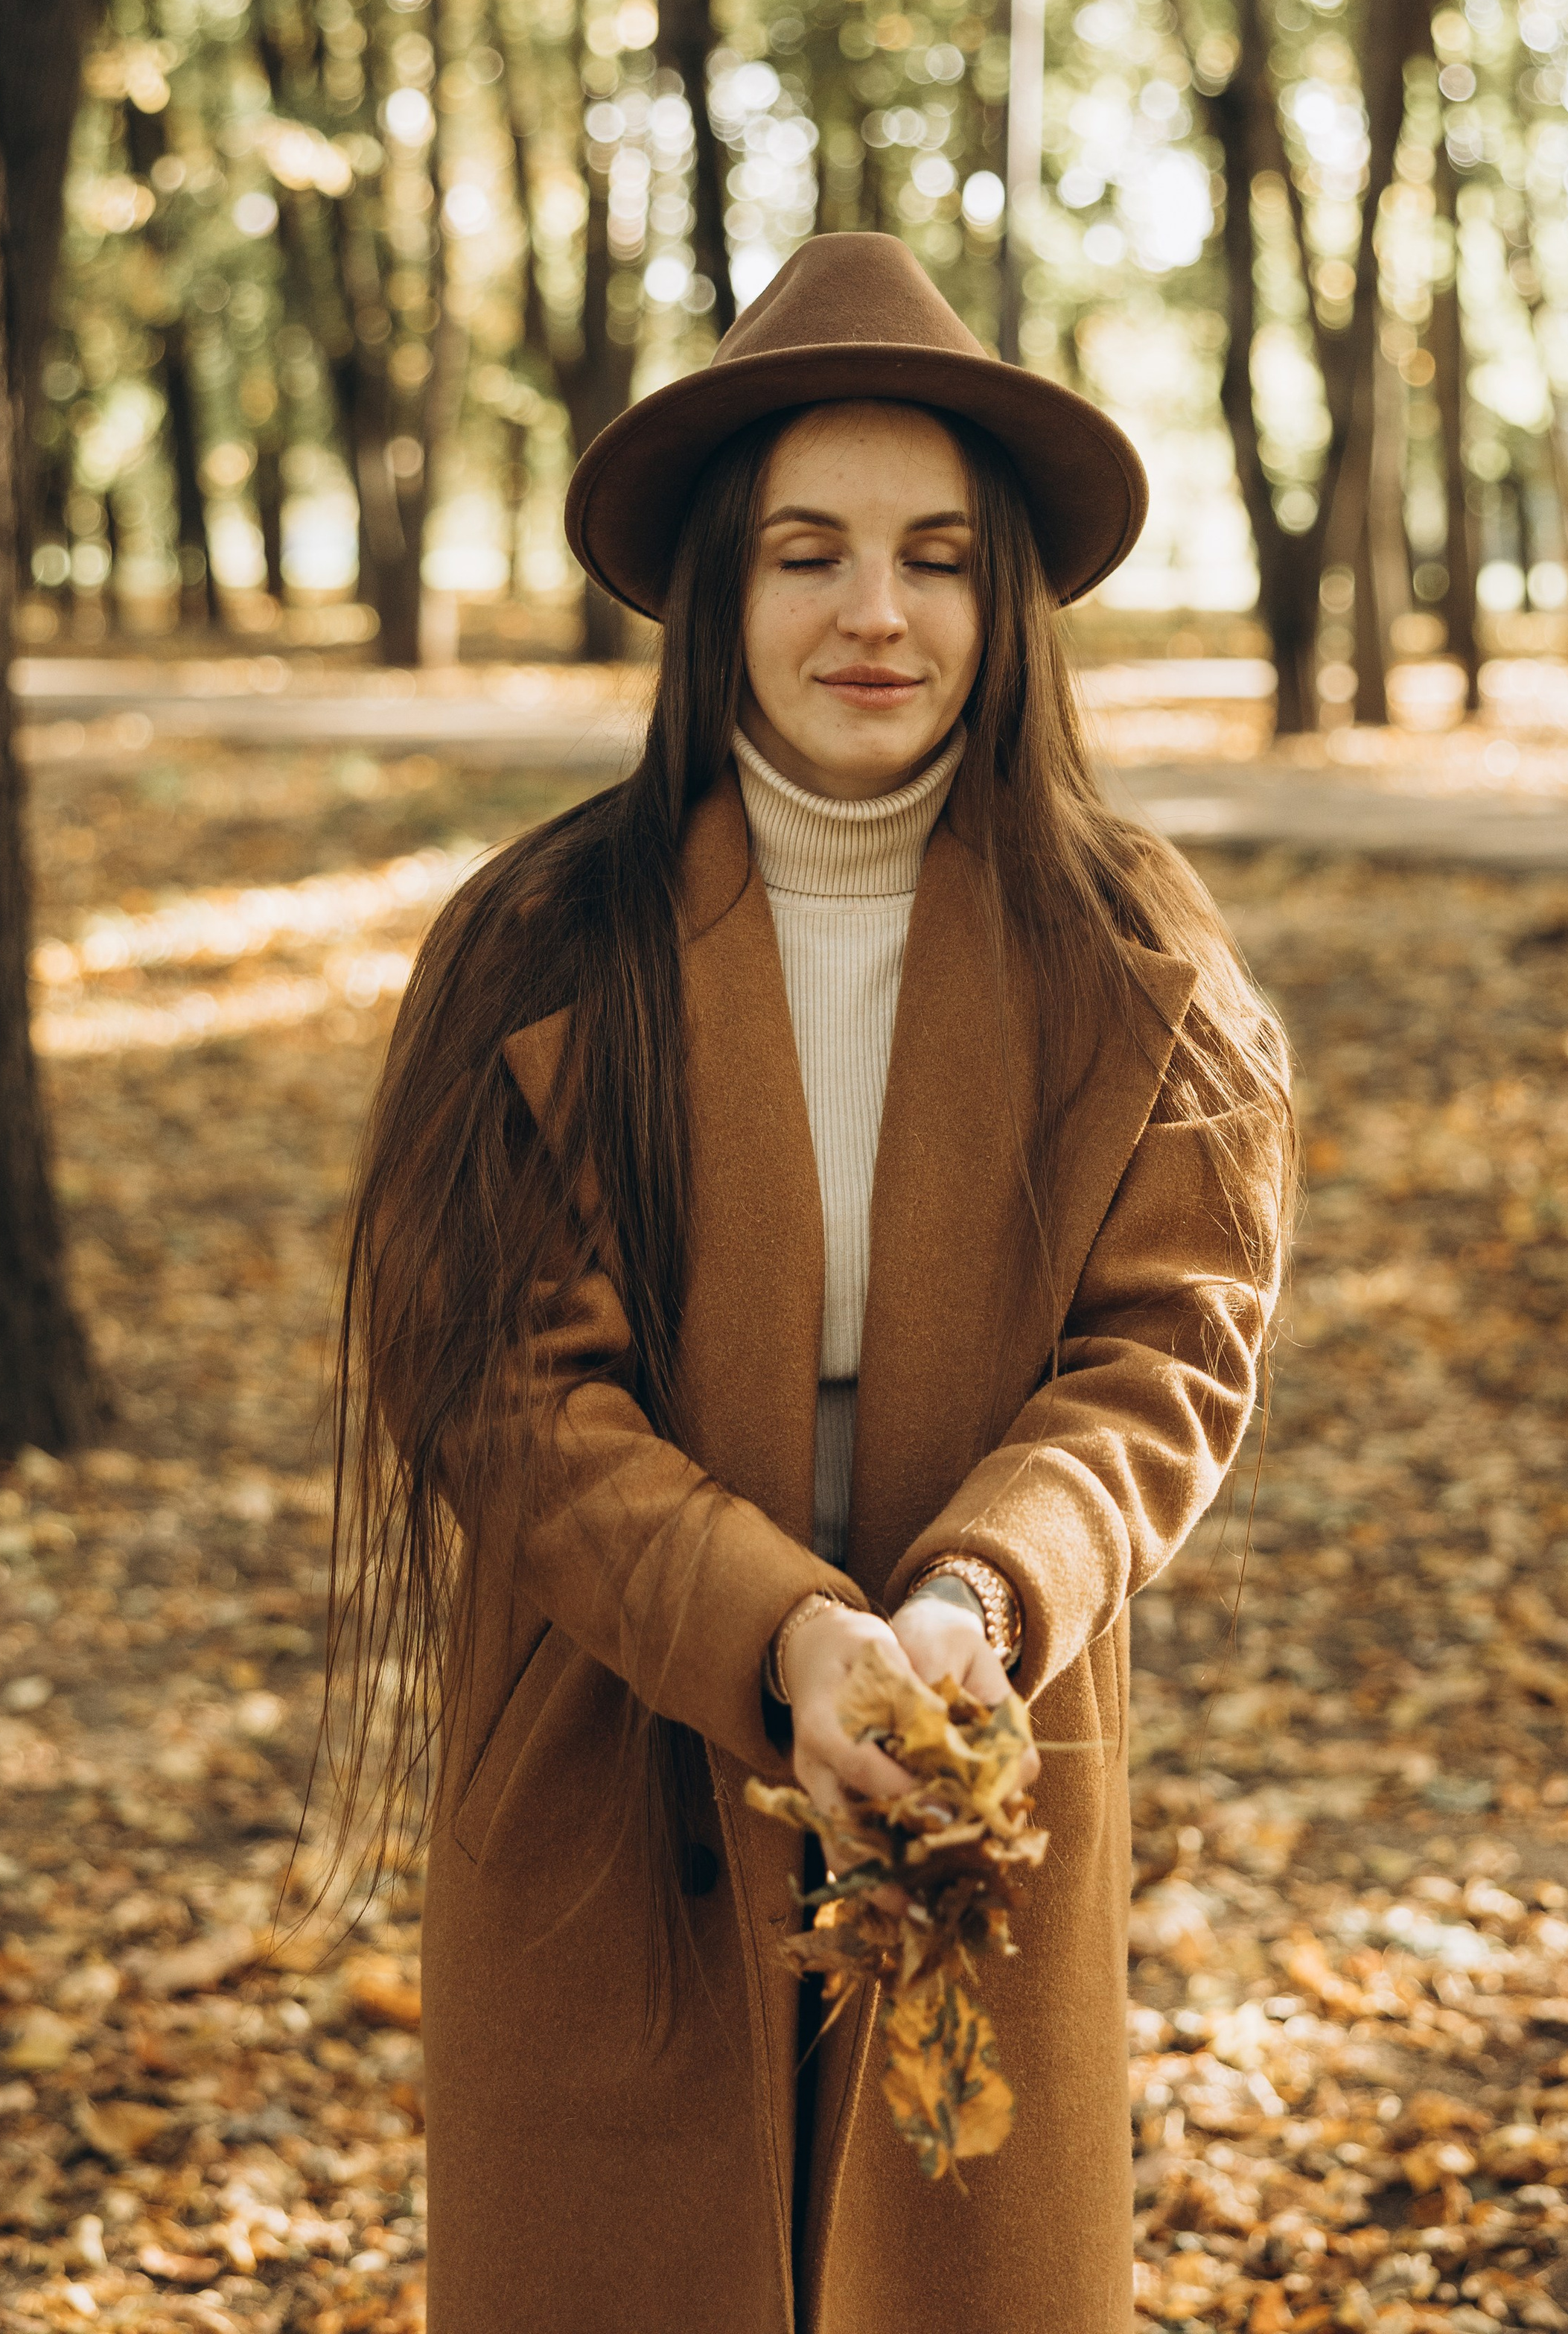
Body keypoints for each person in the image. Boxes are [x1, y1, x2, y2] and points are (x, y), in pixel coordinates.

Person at [330, 233, 1293, 2334]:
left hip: (980, 1744)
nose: (877, 613)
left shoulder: (1139, 953)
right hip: (608, 1745)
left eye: (938, 557)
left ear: (1005, 600)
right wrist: (783, 1639)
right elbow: (504, 1385)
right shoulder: (541, 941)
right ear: (717, 594)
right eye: (809, 555)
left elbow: (1170, 1354)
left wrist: (968, 1612)